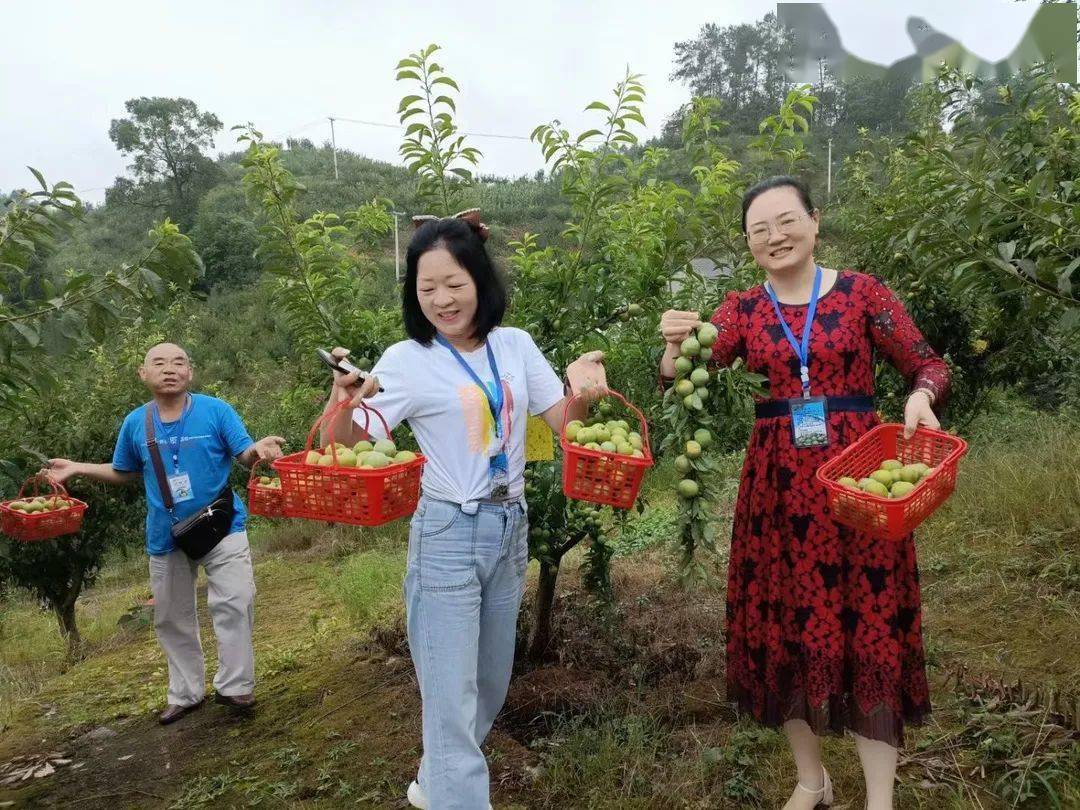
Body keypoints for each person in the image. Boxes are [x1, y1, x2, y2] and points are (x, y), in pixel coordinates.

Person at [659, 177, 949, 810]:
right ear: (748, 242)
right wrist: (675, 344)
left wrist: (921, 396)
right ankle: (811, 780)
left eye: (787, 220)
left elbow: (929, 361)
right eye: (760, 229)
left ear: (816, 222)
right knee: (783, 626)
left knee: (872, 625)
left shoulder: (862, 292)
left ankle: (879, 798)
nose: (775, 236)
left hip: (858, 484)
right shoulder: (740, 311)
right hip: (777, 493)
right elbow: (689, 386)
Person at [321, 209, 606, 810]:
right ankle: (455, 791)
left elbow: (567, 425)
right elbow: (349, 444)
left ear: (480, 280)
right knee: (450, 699)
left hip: (510, 526)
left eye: (454, 283)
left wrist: (585, 388)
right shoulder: (406, 358)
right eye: (426, 289)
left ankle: (436, 783)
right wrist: (342, 401)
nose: (442, 300)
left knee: (487, 684)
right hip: (449, 528)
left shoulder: (516, 345)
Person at [48, 343, 284, 725]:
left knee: (236, 601)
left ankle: (236, 686)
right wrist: (77, 467)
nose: (169, 369)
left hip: (221, 523)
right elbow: (124, 471)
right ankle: (185, 693)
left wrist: (259, 449)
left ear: (190, 372)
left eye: (178, 363)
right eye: (158, 363)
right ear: (143, 374)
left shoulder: (216, 410)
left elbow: (243, 455)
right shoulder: (135, 423)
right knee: (171, 617)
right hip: (167, 531)